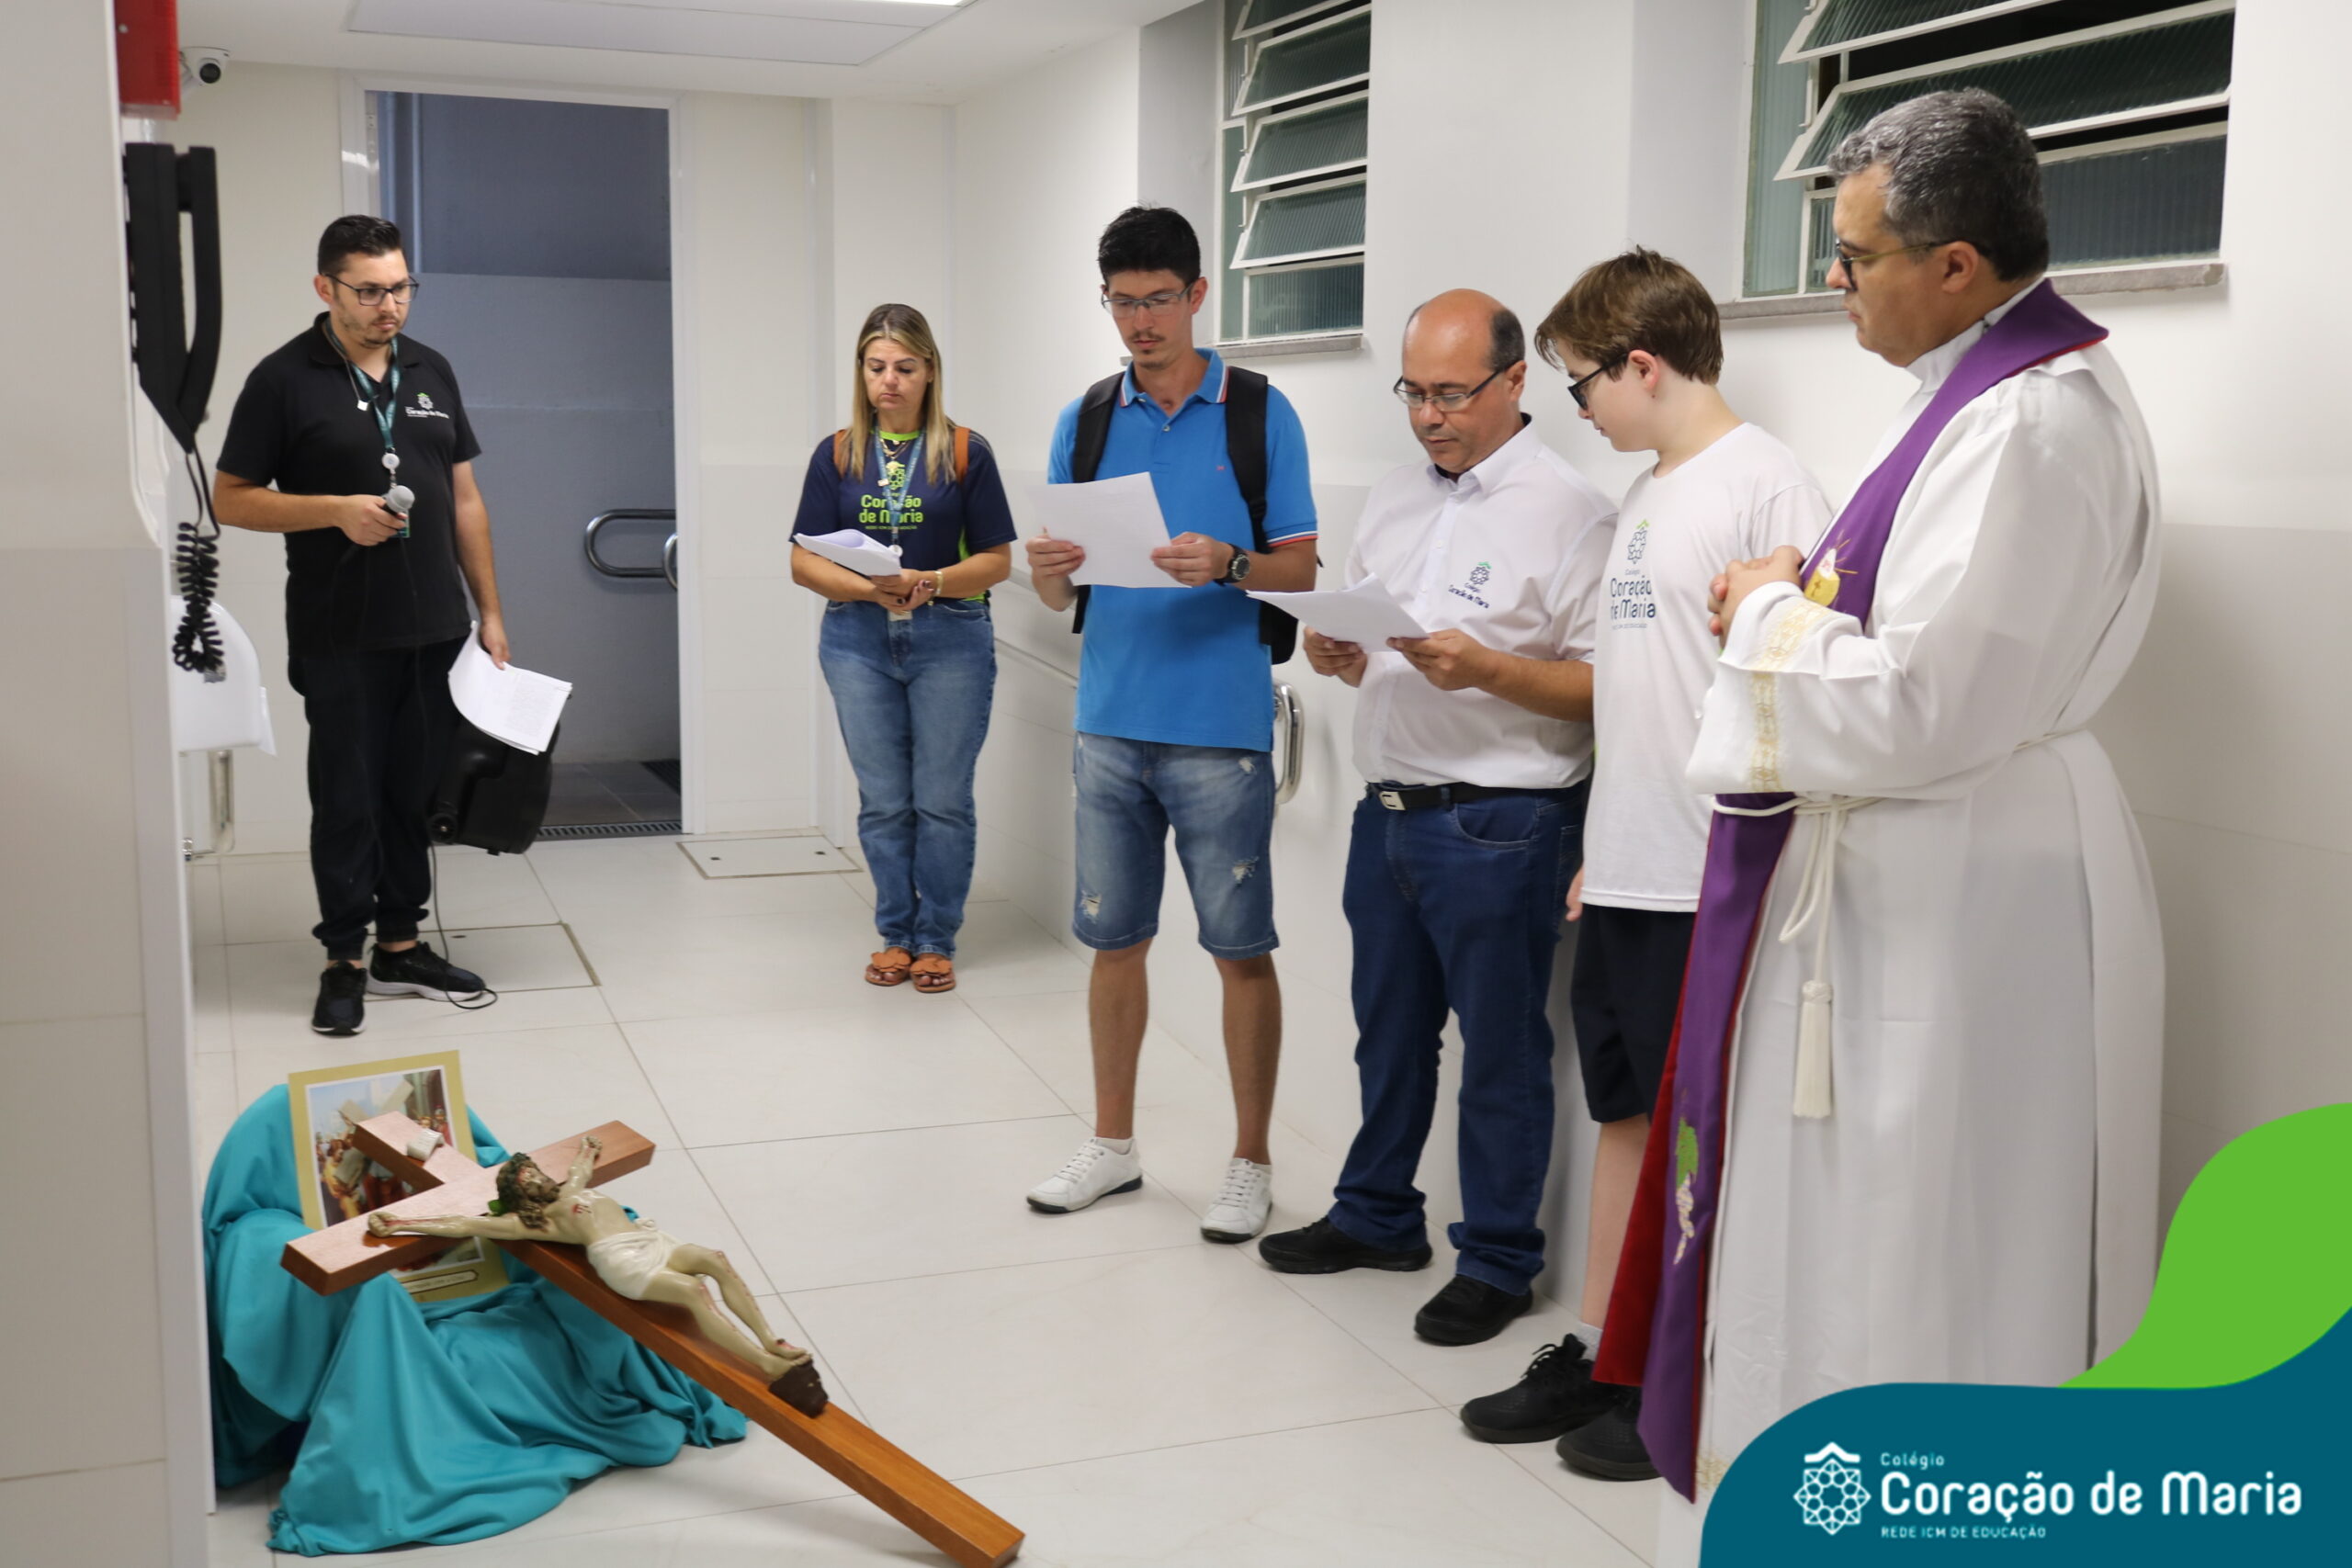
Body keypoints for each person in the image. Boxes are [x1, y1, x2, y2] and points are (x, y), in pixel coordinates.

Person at [1596, 91, 2163, 1558]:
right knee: (1866, 1235)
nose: (1834, 280)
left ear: (1957, 264)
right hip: (1914, 876)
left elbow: (1925, 701)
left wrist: (1761, 606)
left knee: (1926, 1241)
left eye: (1853, 256)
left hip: (1959, 890)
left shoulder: (2029, 419)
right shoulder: (1971, 391)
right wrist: (1801, 592)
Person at [1456, 253, 1829, 1472]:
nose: (1578, 408)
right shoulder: (1646, 493)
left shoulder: (1768, 485)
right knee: (1621, 1112)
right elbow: (1641, 695)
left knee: (1694, 1138)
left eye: (1579, 384)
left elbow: (1798, 691)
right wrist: (1599, 847)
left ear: (1643, 365)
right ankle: (1603, 1353)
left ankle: (1678, 1370)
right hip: (1625, 864)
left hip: (1706, 875)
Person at [1255, 291, 1614, 1347]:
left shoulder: (1574, 512)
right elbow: (1370, 643)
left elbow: (1606, 687)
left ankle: (1498, 1260)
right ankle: (1376, 1216)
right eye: (1412, 391)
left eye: (1451, 394)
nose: (1427, 416)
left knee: (1499, 1052)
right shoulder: (1394, 496)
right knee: (1389, 1034)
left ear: (1514, 382)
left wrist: (1489, 669)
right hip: (1390, 814)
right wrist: (1336, 651)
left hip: (1502, 825)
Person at [1021, 206, 1318, 1243]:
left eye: (1156, 300)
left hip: (1220, 730)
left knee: (1240, 950)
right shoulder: (1086, 419)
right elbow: (1060, 597)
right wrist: (1045, 571)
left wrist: (1230, 563)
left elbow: (1301, 571)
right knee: (1114, 943)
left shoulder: (1261, 413)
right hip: (1108, 721)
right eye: (1121, 303)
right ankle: (1112, 1146)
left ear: (1197, 295)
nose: (1140, 322)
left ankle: (1250, 1162)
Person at [215, 215, 502, 1037]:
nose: (390, 306)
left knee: (414, 793)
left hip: (435, 628)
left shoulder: (431, 369)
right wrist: (334, 510)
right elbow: (231, 498)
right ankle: (343, 957)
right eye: (370, 291)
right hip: (340, 631)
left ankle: (400, 944)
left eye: (402, 287)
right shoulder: (283, 379)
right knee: (347, 799)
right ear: (326, 288)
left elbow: (466, 501)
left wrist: (490, 612)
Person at [792, 303, 1017, 994]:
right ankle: (896, 932)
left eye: (904, 367)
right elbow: (803, 562)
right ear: (861, 373)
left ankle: (936, 938)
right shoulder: (837, 454)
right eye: (876, 367)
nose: (889, 380)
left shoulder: (965, 451)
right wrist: (872, 590)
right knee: (885, 799)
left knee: (942, 798)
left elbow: (997, 561)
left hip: (951, 636)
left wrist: (933, 581)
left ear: (929, 372)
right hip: (857, 639)